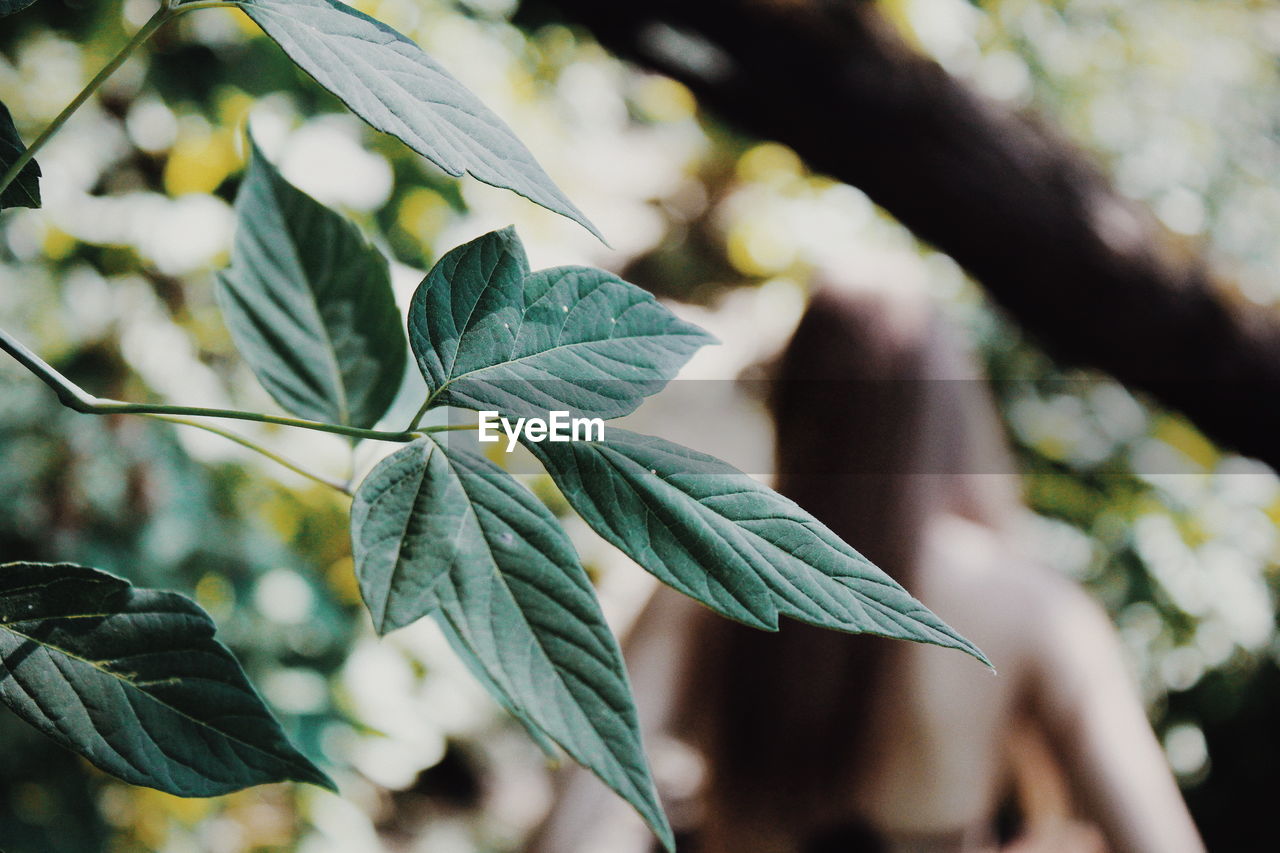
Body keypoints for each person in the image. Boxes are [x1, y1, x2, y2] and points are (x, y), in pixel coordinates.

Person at [527, 284, 1206, 853]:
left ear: (792, 403)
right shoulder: (1036, 611)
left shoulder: (712, 578)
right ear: (947, 415)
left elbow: (582, 812)